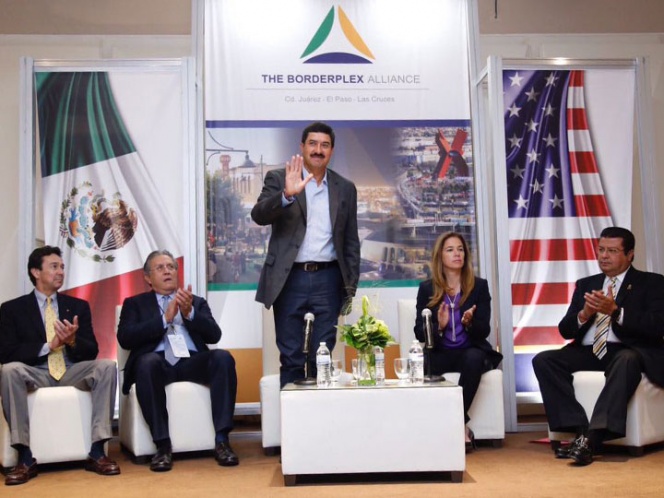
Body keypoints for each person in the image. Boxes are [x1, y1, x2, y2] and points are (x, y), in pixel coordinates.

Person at [533, 226, 664, 466]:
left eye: (612, 251)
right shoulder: (587, 284)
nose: (604, 256)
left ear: (630, 254)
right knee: (544, 359)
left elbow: (657, 326)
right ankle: (578, 429)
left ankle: (593, 439)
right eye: (601, 250)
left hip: (628, 350)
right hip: (590, 351)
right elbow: (565, 330)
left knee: (626, 359)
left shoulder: (651, 283)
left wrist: (616, 311)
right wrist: (584, 314)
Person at [251, 122, 360, 387]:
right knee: (291, 356)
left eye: (324, 145)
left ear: (331, 150)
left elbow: (350, 240)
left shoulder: (345, 188)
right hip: (290, 279)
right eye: (312, 144)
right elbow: (259, 215)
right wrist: (286, 195)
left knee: (322, 356)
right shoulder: (279, 178)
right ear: (302, 147)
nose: (318, 150)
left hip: (328, 279)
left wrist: (350, 285)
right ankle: (292, 413)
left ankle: (318, 413)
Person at [0, 246, 120, 486]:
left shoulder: (77, 307)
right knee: (10, 370)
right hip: (36, 372)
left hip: (70, 370)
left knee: (106, 366)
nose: (60, 272)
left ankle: (98, 451)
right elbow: (7, 352)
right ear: (36, 272)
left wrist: (72, 341)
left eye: (62, 267)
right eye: (54, 267)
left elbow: (92, 350)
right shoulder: (12, 309)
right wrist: (49, 345)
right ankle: (25, 456)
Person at [117, 250, 238, 471]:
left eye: (171, 267)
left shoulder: (195, 302)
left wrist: (189, 313)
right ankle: (162, 446)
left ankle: (222, 441)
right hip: (158, 362)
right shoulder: (134, 304)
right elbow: (125, 338)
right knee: (147, 362)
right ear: (147, 278)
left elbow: (214, 335)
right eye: (160, 268)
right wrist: (165, 318)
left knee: (223, 357)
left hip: (192, 361)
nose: (167, 271)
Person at [414, 232, 502, 449]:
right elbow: (419, 333)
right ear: (440, 256)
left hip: (469, 351)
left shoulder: (479, 286)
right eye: (450, 250)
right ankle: (442, 429)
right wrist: (440, 326)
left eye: (460, 249)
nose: (457, 254)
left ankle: (457, 423)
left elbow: (484, 330)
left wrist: (469, 323)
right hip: (441, 352)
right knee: (421, 364)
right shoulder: (427, 289)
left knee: (474, 358)